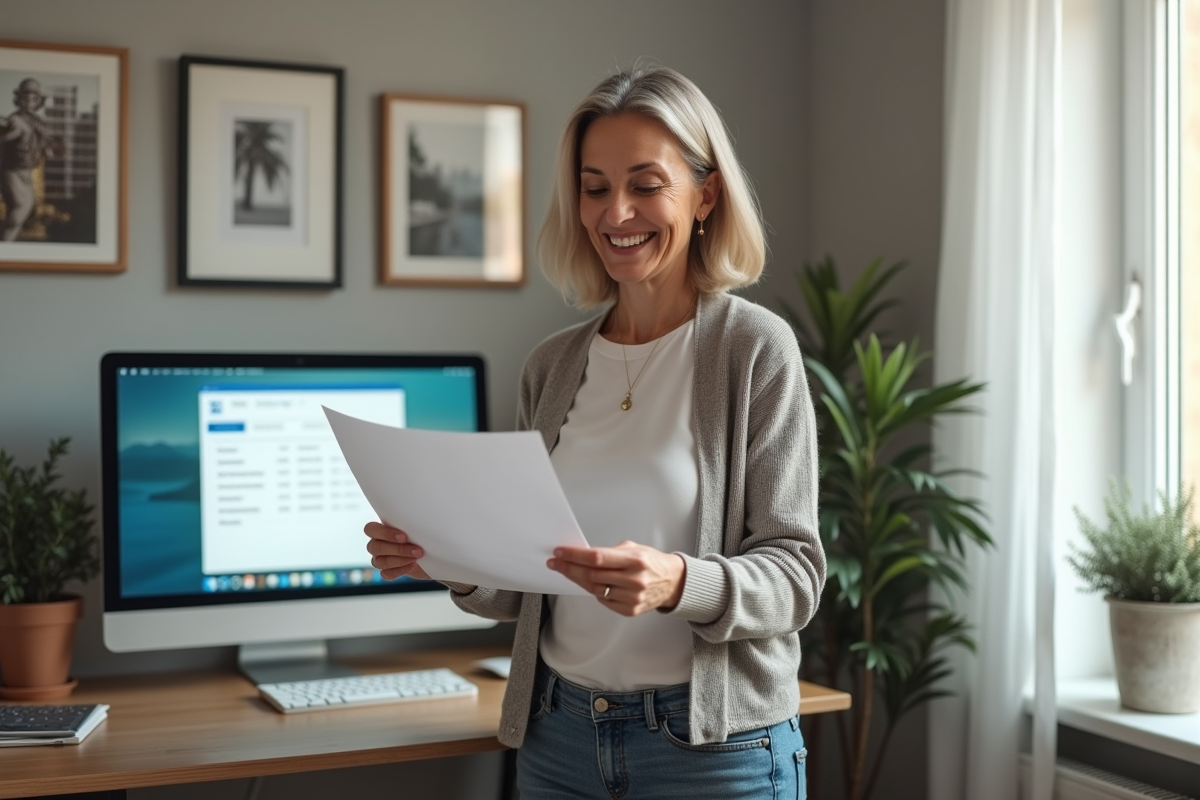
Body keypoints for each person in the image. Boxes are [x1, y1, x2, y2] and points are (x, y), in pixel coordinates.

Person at [365, 64, 824, 799]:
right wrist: (445, 556)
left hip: (711, 751)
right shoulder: (551, 366)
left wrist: (680, 582)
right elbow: (522, 583)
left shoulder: (754, 351)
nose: (617, 213)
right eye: (595, 186)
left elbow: (798, 577)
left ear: (705, 195)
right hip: (561, 738)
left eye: (646, 184)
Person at [0, 78, 59, 241]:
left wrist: (46, 149)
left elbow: (46, 142)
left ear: (38, 102)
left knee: (25, 208)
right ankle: (4, 243)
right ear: (18, 99)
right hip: (11, 170)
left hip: (27, 170)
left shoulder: (38, 122)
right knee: (20, 207)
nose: (29, 102)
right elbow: (9, 133)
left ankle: (7, 243)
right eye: (25, 98)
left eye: (34, 99)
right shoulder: (15, 119)